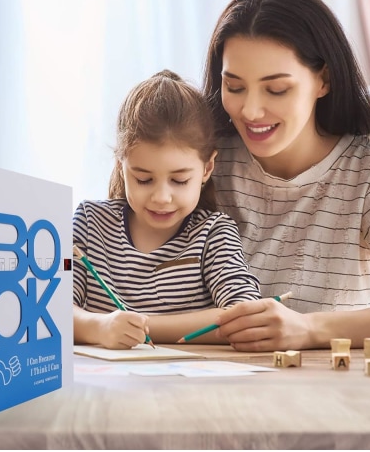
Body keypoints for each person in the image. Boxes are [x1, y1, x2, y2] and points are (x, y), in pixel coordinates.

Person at [202, 0, 370, 352]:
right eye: (234, 87)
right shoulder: (203, 161)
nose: (250, 110)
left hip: (320, 389)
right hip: (192, 380)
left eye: (276, 89)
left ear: (324, 80)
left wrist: (309, 329)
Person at [73, 69, 261, 349]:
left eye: (179, 180)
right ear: (121, 166)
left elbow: (245, 316)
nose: (161, 197)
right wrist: (100, 328)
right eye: (143, 179)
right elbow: (48, 309)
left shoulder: (213, 233)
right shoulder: (89, 223)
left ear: (207, 168)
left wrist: (143, 326)